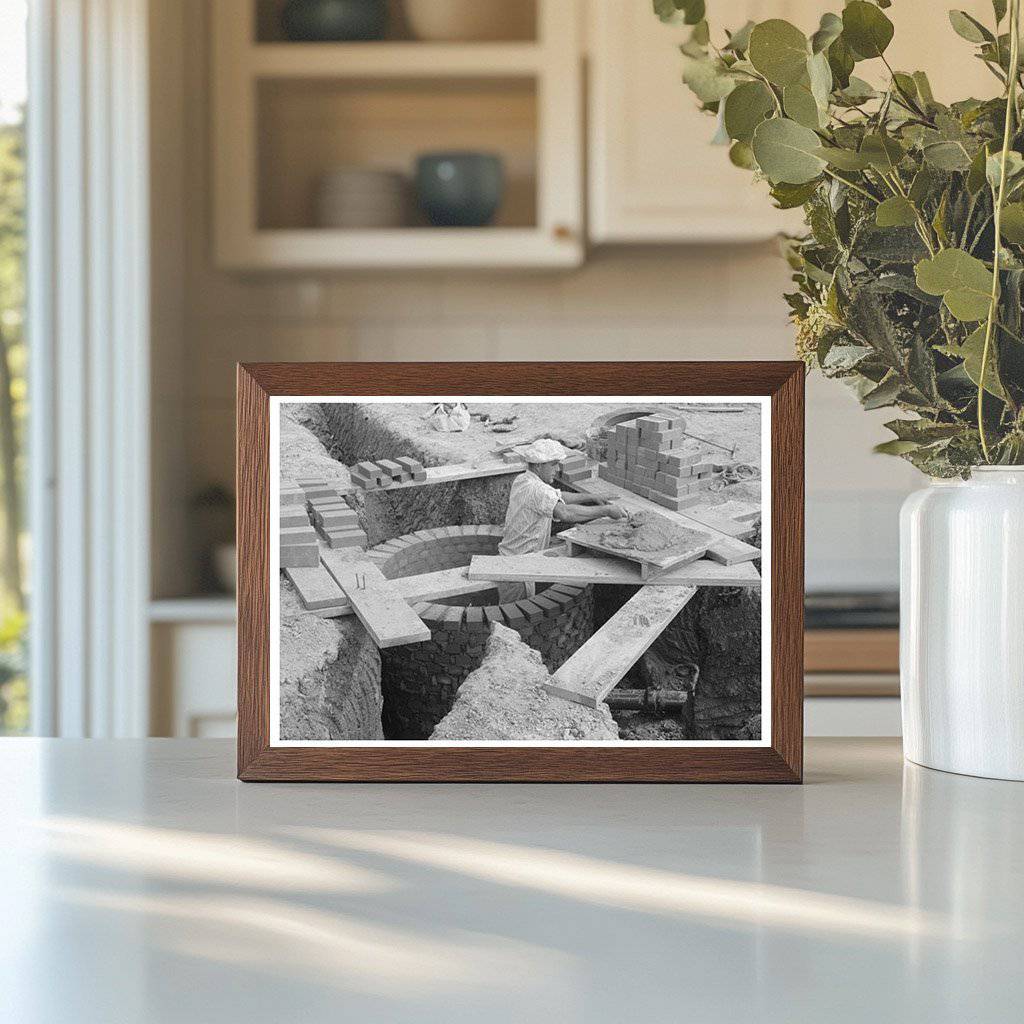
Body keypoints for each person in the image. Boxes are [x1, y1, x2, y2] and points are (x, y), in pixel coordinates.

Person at [496, 438, 625, 603]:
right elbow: (565, 513)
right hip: (517, 567)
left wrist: (593, 496)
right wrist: (605, 510)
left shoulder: (524, 479)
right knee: (512, 616)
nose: (557, 469)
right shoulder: (537, 489)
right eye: (553, 464)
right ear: (538, 465)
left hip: (514, 558)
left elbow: (559, 495)